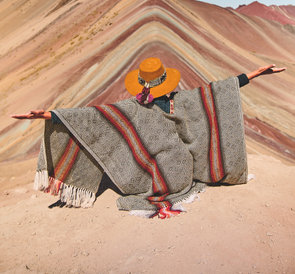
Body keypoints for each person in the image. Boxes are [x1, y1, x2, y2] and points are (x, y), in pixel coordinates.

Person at [12, 58, 286, 218]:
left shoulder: (159, 103)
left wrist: (257, 74)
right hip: (167, 170)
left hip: (169, 170)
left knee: (162, 165)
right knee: (170, 161)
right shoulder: (160, 103)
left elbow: (91, 117)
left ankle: (164, 189)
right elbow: (92, 116)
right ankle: (167, 191)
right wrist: (49, 115)